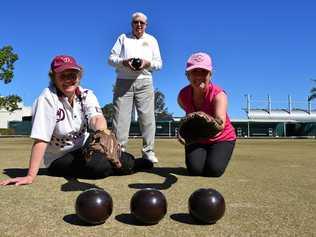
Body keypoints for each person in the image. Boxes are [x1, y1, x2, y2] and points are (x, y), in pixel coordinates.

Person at [0, 55, 151, 186]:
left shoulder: (86, 94)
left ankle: (130, 163)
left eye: (72, 75)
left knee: (124, 161)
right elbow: (41, 139)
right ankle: (117, 165)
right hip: (59, 158)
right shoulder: (46, 99)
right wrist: (30, 176)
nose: (68, 80)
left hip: (84, 146)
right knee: (98, 167)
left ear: (79, 76)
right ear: (53, 77)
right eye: (62, 75)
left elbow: (96, 117)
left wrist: (102, 132)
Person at [108, 12, 162, 163]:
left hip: (144, 82)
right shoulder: (123, 38)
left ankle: (148, 151)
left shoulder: (152, 40)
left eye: (142, 23)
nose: (139, 25)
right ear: (131, 24)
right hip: (123, 81)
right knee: (120, 119)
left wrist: (147, 63)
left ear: (146, 25)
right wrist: (124, 62)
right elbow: (111, 59)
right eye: (135, 22)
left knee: (147, 118)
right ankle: (119, 151)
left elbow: (159, 63)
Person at [177, 52, 236, 177]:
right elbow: (186, 112)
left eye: (203, 72)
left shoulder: (219, 95)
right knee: (195, 170)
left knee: (213, 171)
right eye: (194, 72)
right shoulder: (182, 95)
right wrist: (184, 131)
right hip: (198, 138)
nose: (199, 76)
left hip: (222, 138)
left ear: (210, 74)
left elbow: (220, 124)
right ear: (187, 75)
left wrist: (205, 116)